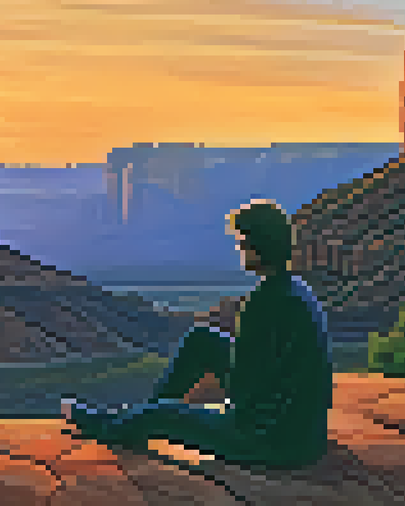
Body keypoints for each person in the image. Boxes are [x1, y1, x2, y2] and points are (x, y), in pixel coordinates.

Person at [62, 199, 333, 470]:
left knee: (163, 415)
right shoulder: (296, 289)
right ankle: (144, 414)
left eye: (243, 243)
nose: (240, 250)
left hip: (263, 440)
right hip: (301, 436)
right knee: (203, 339)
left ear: (258, 248)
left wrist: (215, 413)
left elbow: (244, 391)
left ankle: (116, 424)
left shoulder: (262, 303)